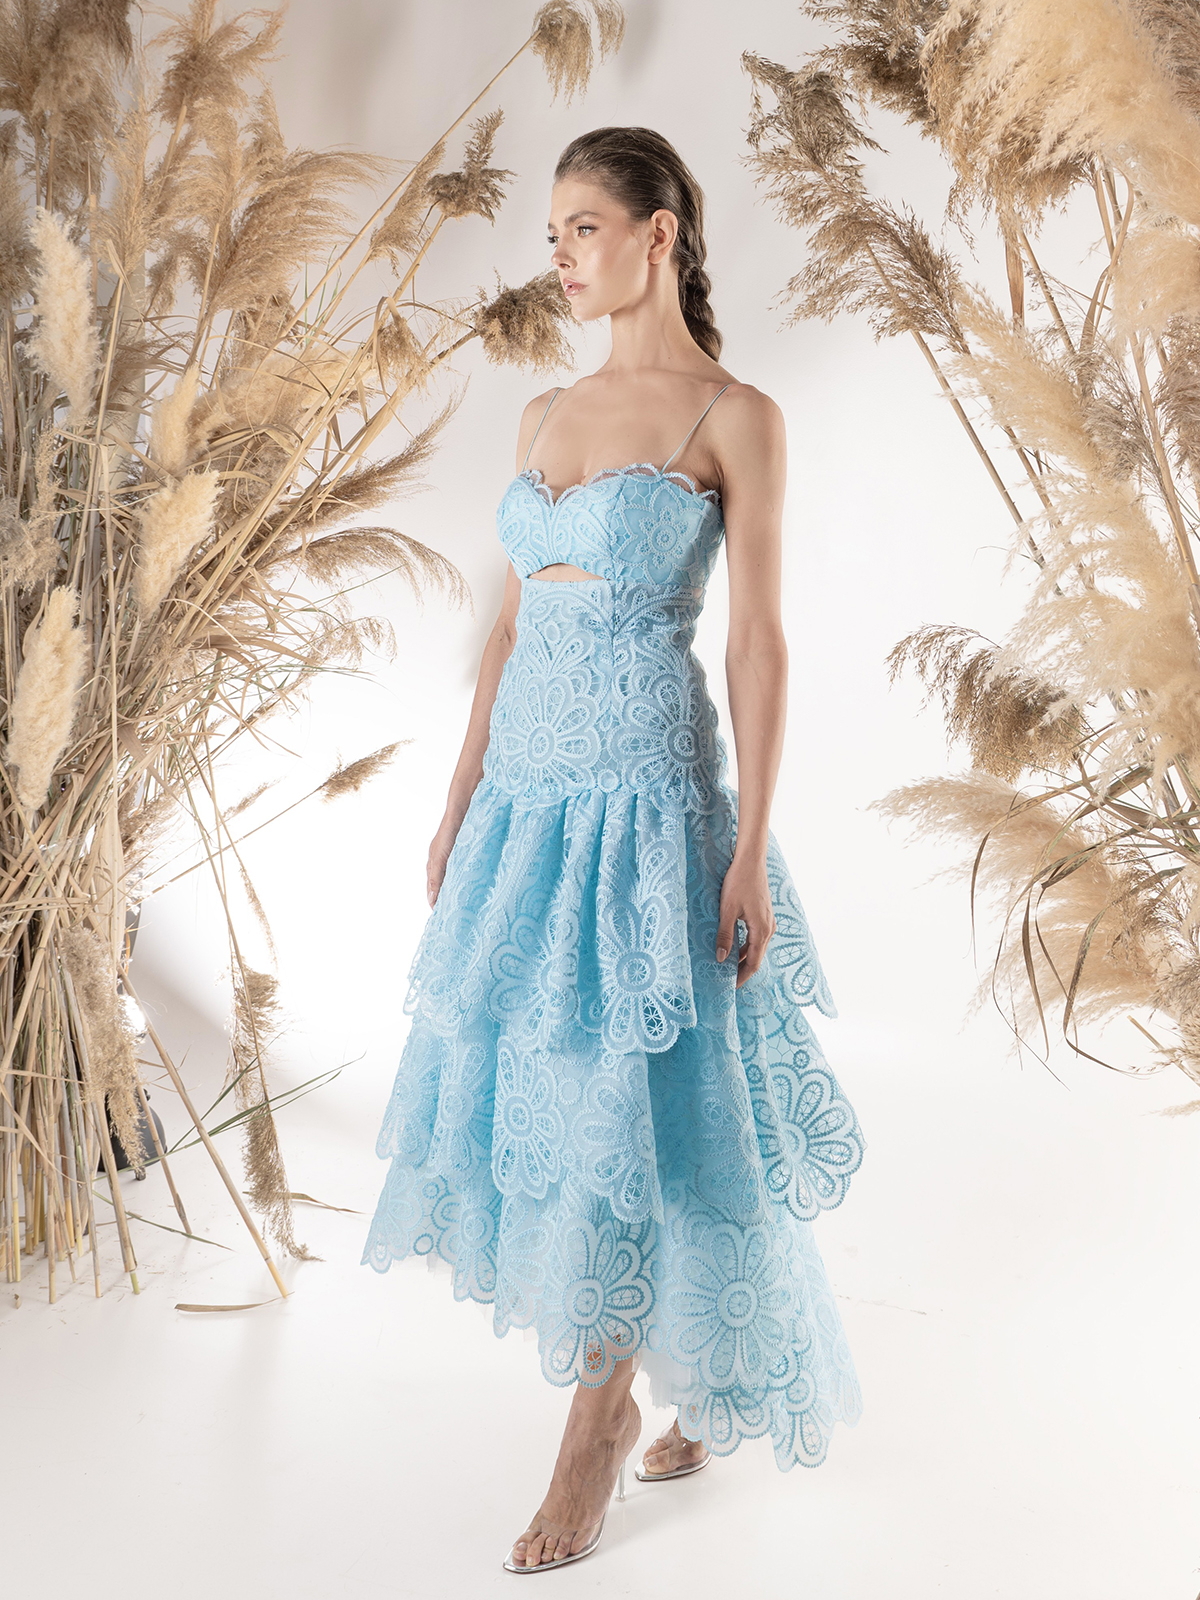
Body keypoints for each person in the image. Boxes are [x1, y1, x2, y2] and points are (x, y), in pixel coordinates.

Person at [362, 125, 864, 1573]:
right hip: (529, 802)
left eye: (583, 227)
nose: (561, 257)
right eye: (553, 235)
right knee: (562, 1090)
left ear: (659, 233)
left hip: (650, 805)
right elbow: (512, 623)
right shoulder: (542, 414)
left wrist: (750, 847)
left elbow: (759, 641)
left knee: (648, 1100)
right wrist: (461, 792)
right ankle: (663, 1373)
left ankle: (596, 1422)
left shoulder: (735, 416)